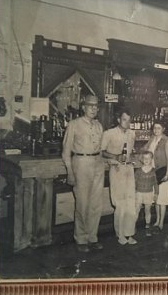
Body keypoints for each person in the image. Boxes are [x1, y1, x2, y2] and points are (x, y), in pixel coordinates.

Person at [62, 95, 104, 253]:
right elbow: (66, 151)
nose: (93, 108)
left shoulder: (99, 125)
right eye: (90, 105)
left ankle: (92, 237)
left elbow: (102, 148)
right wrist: (70, 172)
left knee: (96, 204)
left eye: (96, 106)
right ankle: (81, 238)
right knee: (82, 203)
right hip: (81, 163)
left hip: (97, 163)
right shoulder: (74, 124)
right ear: (83, 107)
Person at [102, 110, 137, 245]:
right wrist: (115, 157)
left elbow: (130, 152)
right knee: (120, 203)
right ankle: (120, 234)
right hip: (116, 169)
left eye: (129, 120)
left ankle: (130, 234)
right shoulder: (109, 133)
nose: (127, 123)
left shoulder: (132, 134)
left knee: (130, 202)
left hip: (129, 169)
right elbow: (102, 152)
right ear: (118, 119)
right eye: (124, 119)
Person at [142, 121, 168, 231]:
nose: (156, 130)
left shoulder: (167, 140)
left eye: (158, 128)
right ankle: (157, 220)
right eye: (155, 128)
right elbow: (144, 150)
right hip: (153, 171)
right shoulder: (152, 139)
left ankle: (161, 222)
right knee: (156, 198)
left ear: (163, 129)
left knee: (162, 199)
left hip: (162, 171)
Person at [135, 151, 159, 237]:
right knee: (136, 209)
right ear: (142, 159)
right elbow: (134, 182)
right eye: (145, 158)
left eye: (148, 158)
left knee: (147, 210)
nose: (146, 160)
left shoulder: (153, 171)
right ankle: (133, 226)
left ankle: (148, 225)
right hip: (139, 193)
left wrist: (156, 193)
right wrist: (134, 192)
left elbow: (156, 183)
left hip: (149, 193)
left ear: (151, 159)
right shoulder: (138, 171)